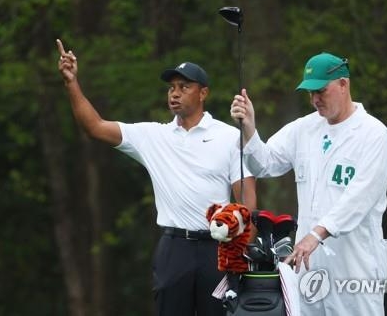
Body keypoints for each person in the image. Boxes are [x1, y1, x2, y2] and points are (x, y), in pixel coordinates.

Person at [56, 39, 256, 316]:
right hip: (174, 249)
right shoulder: (153, 136)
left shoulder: (230, 137)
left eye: (184, 87)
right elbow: (95, 126)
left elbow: (247, 204)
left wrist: (242, 253)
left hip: (218, 250)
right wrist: (71, 83)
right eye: (171, 88)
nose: (175, 93)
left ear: (203, 93)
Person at [230, 52, 387, 315]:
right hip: (308, 264)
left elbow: (359, 198)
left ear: (344, 84)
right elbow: (264, 164)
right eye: (310, 93)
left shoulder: (375, 135)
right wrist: (249, 127)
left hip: (355, 264)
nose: (315, 99)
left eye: (321, 91)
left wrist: (317, 234)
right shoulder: (303, 128)